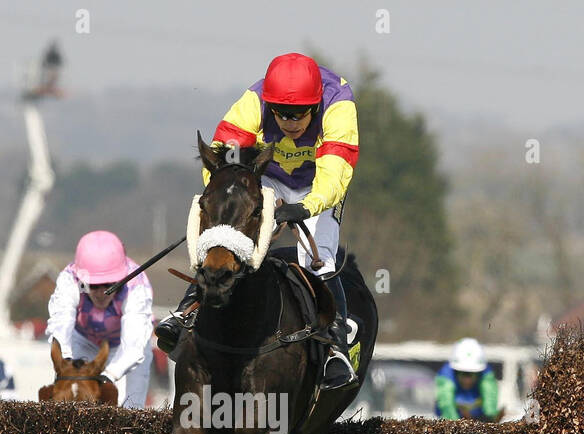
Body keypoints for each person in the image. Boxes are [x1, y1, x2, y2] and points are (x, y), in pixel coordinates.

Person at [155, 51, 359, 390]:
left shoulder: (339, 104)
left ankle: (336, 346)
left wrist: (306, 207)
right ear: (270, 104)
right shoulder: (254, 100)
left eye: (298, 114)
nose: (290, 122)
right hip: (267, 176)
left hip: (320, 184)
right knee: (226, 234)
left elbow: (335, 175)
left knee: (317, 256)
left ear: (316, 104)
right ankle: (186, 310)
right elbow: (222, 160)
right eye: (281, 114)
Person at [46, 230, 154, 409]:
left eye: (110, 284)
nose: (101, 292)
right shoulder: (69, 279)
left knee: (133, 407)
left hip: (125, 346)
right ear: (81, 279)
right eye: (94, 285)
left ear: (121, 279)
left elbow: (133, 347)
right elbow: (61, 325)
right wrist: (65, 360)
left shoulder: (136, 286)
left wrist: (109, 375)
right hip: (83, 340)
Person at [436, 338, 500, 421]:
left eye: (472, 374)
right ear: (455, 371)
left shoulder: (486, 376)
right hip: (451, 421)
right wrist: (455, 426)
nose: (467, 380)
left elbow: (490, 401)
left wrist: (490, 419)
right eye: (463, 373)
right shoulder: (445, 377)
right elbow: (446, 404)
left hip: (479, 420)